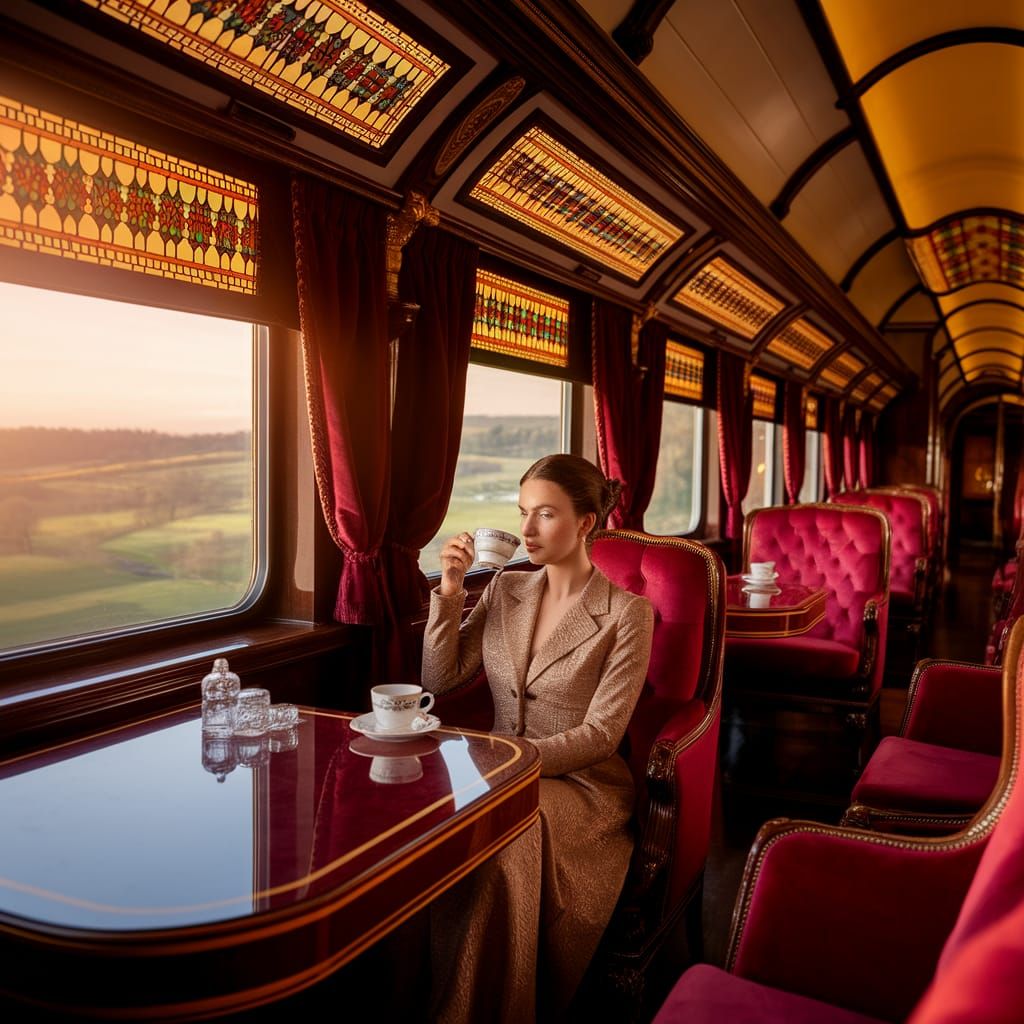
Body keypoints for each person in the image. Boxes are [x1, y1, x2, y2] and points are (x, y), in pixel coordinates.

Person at [422, 454, 655, 1023]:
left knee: (506, 849)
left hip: (581, 785)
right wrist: (451, 590)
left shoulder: (628, 614)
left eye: (545, 515)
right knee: (425, 837)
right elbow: (440, 679)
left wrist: (510, 760)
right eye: (523, 513)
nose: (526, 530)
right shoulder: (506, 589)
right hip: (496, 769)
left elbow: (602, 734)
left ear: (585, 522)